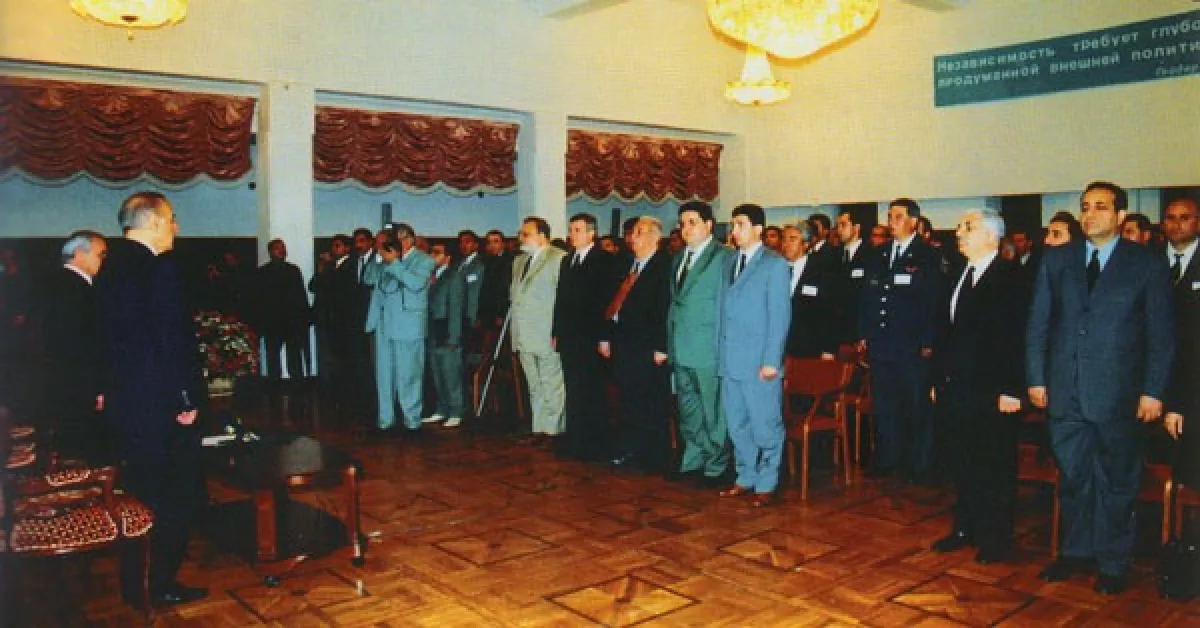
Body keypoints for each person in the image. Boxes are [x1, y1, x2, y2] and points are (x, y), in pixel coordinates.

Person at [1026, 181, 1174, 594]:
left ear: (1121, 215)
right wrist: (1036, 378)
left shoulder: (1145, 263)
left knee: (1117, 483)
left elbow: (1162, 335)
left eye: (1100, 207)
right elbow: (1038, 324)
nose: (1089, 214)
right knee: (1073, 478)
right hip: (1065, 392)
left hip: (1119, 394)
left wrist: (1153, 391)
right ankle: (1074, 552)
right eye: (1085, 207)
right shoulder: (1058, 259)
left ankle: (1113, 562)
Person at [96, 191, 207, 608]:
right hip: (162, 407)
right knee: (175, 496)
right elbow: (168, 341)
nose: (176, 227)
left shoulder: (110, 267)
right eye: (172, 218)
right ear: (155, 222)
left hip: (129, 404)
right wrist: (185, 400)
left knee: (140, 494)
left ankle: (137, 583)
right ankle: (159, 584)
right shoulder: (157, 268)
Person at [930, 209, 1026, 565]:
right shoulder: (957, 274)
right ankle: (965, 527)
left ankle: (996, 537)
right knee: (962, 461)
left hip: (993, 390)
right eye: (959, 227)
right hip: (956, 388)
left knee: (995, 464)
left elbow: (1018, 337)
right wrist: (937, 380)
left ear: (990, 236)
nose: (959, 233)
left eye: (967, 228)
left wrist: (1012, 389)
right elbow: (945, 333)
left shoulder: (1012, 278)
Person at [859, 198, 945, 484]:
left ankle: (920, 464)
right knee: (885, 405)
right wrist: (865, 333)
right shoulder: (880, 253)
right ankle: (888, 459)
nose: (891, 222)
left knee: (916, 406)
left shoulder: (927, 256)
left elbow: (934, 302)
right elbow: (868, 297)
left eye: (897, 217)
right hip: (882, 343)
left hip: (911, 345)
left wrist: (928, 341)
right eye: (889, 216)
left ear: (914, 221)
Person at [717, 203, 791, 508]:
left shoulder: (774, 265)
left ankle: (767, 482)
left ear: (758, 229)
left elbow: (780, 317)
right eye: (733, 225)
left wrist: (772, 361)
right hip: (730, 361)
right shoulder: (729, 262)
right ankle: (745, 476)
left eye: (741, 224)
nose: (734, 231)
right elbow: (722, 313)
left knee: (765, 425)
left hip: (759, 363)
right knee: (737, 425)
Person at [666, 201, 733, 488]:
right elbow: (675, 304)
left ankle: (717, 465)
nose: (686, 228)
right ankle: (693, 459)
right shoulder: (678, 258)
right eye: (682, 223)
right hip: (681, 346)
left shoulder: (724, 257)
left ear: (709, 225)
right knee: (689, 409)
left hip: (708, 348)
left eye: (692, 222)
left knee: (713, 410)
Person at [601, 216, 672, 473]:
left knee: (650, 401)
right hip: (623, 342)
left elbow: (665, 309)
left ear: (655, 237)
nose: (633, 237)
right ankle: (630, 448)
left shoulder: (664, 267)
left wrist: (662, 347)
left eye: (640, 232)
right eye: (632, 233)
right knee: (628, 399)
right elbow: (613, 303)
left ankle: (652, 455)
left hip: (647, 345)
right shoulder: (627, 265)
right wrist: (606, 336)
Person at [553, 213, 617, 461]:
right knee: (573, 387)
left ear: (592, 233)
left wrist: (604, 336)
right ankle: (575, 438)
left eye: (577, 230)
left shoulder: (604, 260)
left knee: (592, 388)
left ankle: (594, 441)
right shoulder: (567, 260)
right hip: (569, 336)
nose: (572, 234)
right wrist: (556, 331)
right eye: (571, 230)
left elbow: (606, 301)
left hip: (591, 335)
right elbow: (561, 298)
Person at [42, 230, 108, 463]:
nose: (103, 260)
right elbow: (83, 344)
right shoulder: (75, 289)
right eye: (100, 254)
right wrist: (98, 387)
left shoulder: (54, 284)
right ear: (79, 253)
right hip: (79, 386)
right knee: (84, 452)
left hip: (62, 383)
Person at [364, 223, 435, 433]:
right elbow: (368, 279)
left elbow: (415, 284)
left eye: (399, 239)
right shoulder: (385, 259)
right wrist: (379, 258)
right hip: (384, 323)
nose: (395, 243)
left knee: (409, 374)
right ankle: (385, 419)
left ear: (410, 239)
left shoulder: (424, 260)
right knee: (384, 375)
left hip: (408, 325)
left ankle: (411, 420)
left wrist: (394, 262)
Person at [509, 217, 567, 442]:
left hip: (546, 333)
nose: (521, 238)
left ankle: (553, 430)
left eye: (526, 234)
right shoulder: (519, 261)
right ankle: (539, 427)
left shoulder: (559, 258)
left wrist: (558, 331)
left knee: (551, 382)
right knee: (534, 383)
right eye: (521, 233)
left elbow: (562, 299)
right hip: (523, 333)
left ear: (542, 236)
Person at [1161, 198, 1199, 489]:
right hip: (1153, 382)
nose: (1177, 224)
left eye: (1185, 217)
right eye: (1170, 218)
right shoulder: (1148, 261)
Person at [309, 235, 358, 412]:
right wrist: (321, 269)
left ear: (347, 248)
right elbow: (313, 286)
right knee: (327, 357)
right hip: (325, 319)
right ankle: (328, 391)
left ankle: (342, 395)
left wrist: (328, 272)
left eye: (337, 245)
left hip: (341, 320)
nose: (333, 249)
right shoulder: (329, 267)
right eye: (333, 246)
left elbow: (339, 289)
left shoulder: (351, 266)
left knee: (340, 359)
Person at [255, 238, 311, 385]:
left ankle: (298, 385)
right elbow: (259, 298)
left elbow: (301, 294)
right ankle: (274, 386)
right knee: (272, 356)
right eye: (278, 248)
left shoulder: (293, 270)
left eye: (283, 247)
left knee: (295, 356)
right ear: (270, 252)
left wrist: (305, 316)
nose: (282, 250)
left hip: (292, 321)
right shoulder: (262, 272)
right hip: (272, 322)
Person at [425, 242, 466, 428]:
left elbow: (456, 309)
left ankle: (456, 411)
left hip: (446, 331)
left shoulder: (454, 277)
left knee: (450, 374)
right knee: (437, 373)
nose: (432, 255)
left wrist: (454, 337)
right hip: (432, 330)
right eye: (431, 252)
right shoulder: (431, 276)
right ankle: (441, 409)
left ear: (448, 258)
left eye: (437, 253)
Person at [781, 223, 836, 359]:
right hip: (780, 347)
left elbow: (830, 312)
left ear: (805, 244)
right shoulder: (776, 270)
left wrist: (828, 348)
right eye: (784, 239)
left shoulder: (821, 270)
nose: (786, 244)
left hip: (810, 347)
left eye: (792, 239)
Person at [831, 208, 872, 349]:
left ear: (856, 227)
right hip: (837, 331)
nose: (838, 230)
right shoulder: (833, 256)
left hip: (860, 330)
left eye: (843, 225)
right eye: (837, 226)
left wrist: (864, 333)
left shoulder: (871, 255)